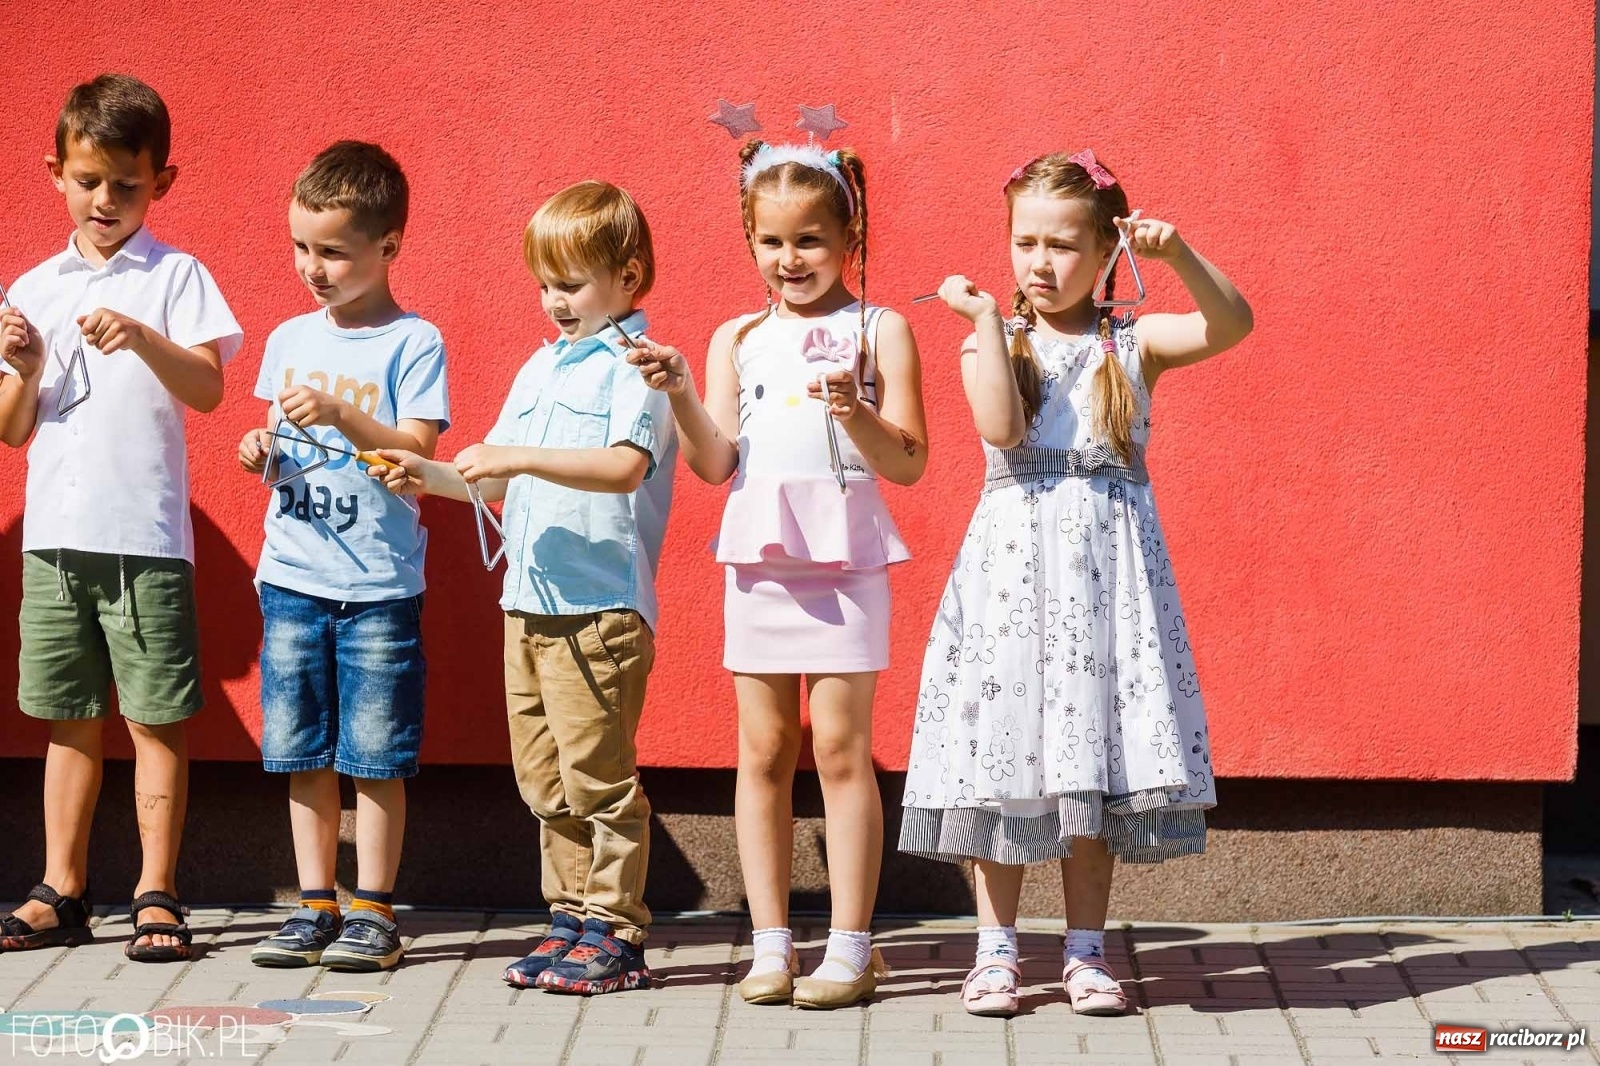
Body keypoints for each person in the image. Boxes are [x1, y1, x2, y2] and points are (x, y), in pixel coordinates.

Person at [898, 149, 1253, 1017]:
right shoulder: (991, 341)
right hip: (1013, 589)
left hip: (1105, 589)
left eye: (1062, 245)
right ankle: (996, 951)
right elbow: (1002, 428)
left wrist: (1178, 254)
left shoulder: (1133, 344)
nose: (1040, 262)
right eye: (1025, 243)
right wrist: (988, 321)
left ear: (1105, 253)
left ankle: (1086, 952)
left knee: (1090, 758)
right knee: (1008, 756)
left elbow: (1233, 323)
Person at [629, 138, 927, 1008]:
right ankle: (769, 943)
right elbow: (715, 462)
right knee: (763, 749)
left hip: (846, 560)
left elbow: (908, 462)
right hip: (759, 561)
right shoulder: (737, 337)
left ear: (849, 236)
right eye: (772, 241)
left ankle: (851, 945)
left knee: (838, 747)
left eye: (810, 240)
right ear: (749, 238)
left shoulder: (881, 328)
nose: (790, 259)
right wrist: (680, 391)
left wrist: (857, 413)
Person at [374, 180, 675, 996]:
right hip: (528, 606)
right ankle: (570, 919)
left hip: (598, 610)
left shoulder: (639, 368)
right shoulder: (540, 368)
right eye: (544, 284)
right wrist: (422, 474)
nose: (553, 301)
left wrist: (514, 457)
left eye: (570, 284)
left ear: (628, 275)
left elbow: (624, 467)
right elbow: (494, 479)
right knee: (545, 780)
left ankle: (617, 931)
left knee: (600, 780)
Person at [0, 73, 243, 962]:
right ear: (55, 173)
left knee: (153, 719)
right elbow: (13, 429)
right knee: (66, 716)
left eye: (127, 185)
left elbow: (209, 390)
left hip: (144, 539)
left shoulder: (177, 275)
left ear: (161, 182)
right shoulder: (32, 286)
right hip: (54, 542)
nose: (106, 200)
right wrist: (26, 368)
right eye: (88, 180)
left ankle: (156, 891)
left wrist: (141, 335)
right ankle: (60, 887)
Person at [237, 141, 449, 972]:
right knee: (301, 751)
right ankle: (315, 904)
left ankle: (375, 910)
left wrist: (341, 415)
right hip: (292, 577)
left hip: (378, 585)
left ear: (388, 246)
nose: (311, 268)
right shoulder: (289, 337)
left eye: (331, 251)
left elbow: (419, 453)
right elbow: (278, 445)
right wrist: (260, 449)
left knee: (375, 753)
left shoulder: (413, 341)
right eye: (300, 247)